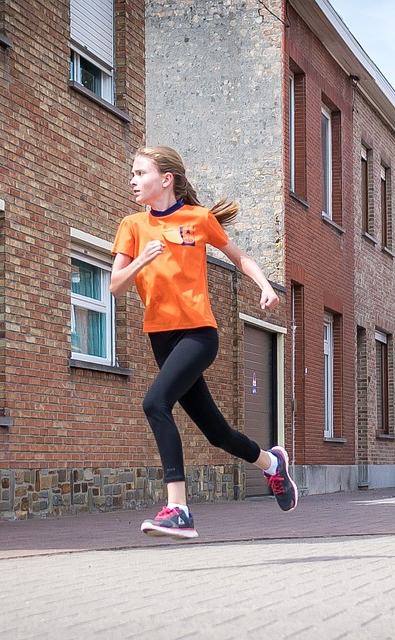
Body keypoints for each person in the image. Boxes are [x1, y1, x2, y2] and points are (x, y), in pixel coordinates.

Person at [111, 146, 297, 540]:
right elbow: (115, 286)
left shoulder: (198, 219)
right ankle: (271, 464)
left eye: (140, 173)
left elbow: (240, 257)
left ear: (166, 179)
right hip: (160, 337)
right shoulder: (131, 225)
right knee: (216, 432)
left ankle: (178, 508)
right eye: (132, 173)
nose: (132, 180)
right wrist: (141, 260)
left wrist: (265, 285)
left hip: (198, 333)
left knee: (154, 403)